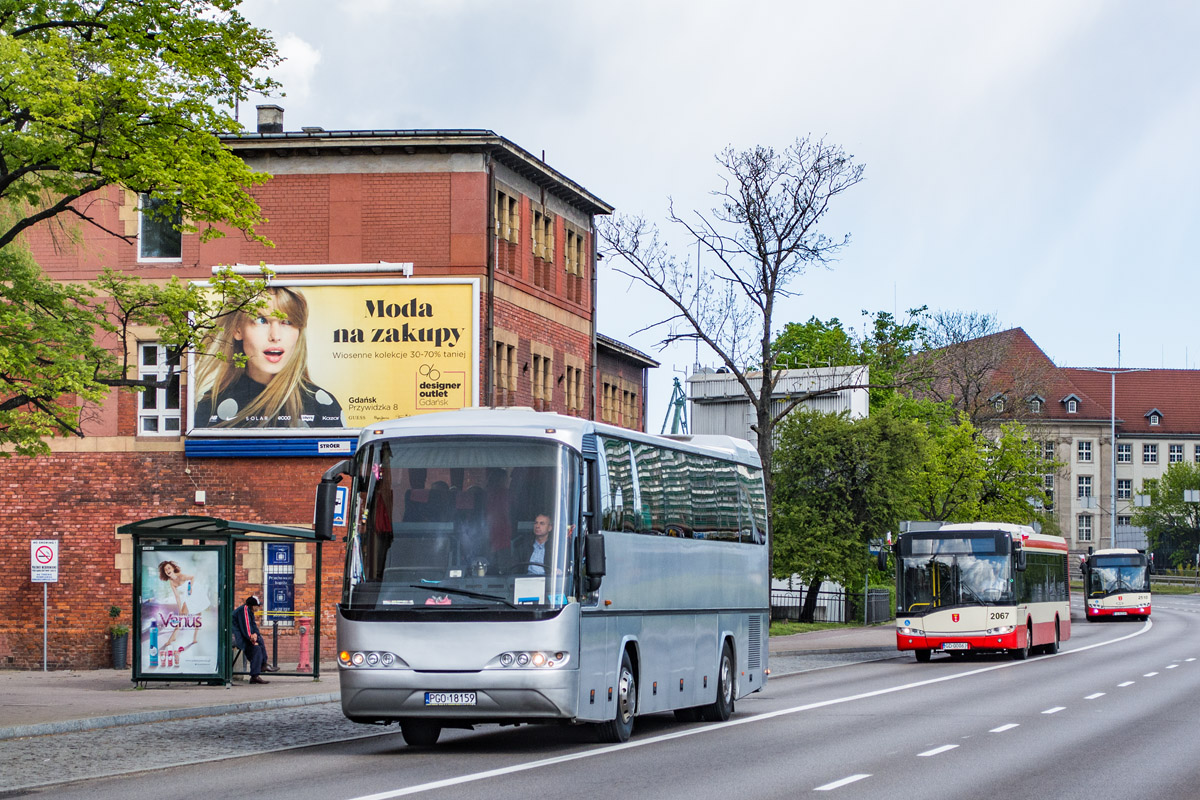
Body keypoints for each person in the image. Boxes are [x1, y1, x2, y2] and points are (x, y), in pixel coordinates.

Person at [193, 286, 345, 429]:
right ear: (237, 329)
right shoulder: (209, 406)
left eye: (287, 322)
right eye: (262, 320)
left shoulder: (323, 407)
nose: (275, 336)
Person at [157, 559, 210, 647]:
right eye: (165, 570)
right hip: (187, 596)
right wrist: (179, 610)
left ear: (173, 568)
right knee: (181, 616)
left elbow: (192, 577)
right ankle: (173, 638)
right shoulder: (171, 582)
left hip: (194, 592)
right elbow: (177, 597)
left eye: (169, 568)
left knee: (198, 615)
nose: (167, 571)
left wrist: (190, 588)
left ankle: (194, 638)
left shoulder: (180, 576)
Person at [231, 595, 277, 683]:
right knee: (256, 647)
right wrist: (251, 638)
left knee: (257, 647)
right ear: (252, 605)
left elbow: (253, 626)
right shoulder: (244, 610)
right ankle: (262, 666)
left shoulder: (249, 612)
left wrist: (256, 634)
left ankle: (256, 674)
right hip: (237, 637)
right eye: (257, 606)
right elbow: (246, 627)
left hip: (243, 637)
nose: (258, 608)